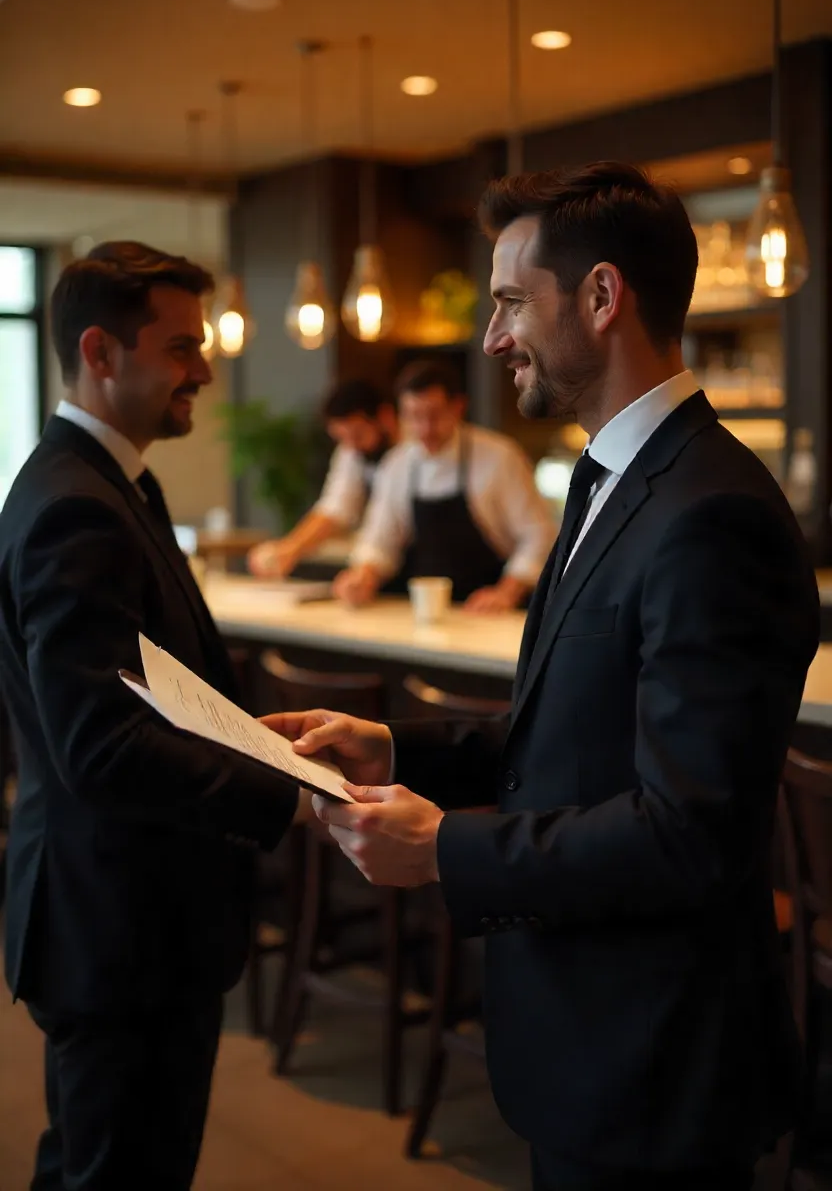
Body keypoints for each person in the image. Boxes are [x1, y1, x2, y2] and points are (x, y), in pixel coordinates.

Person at [264, 162, 820, 1190]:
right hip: (588, 1031)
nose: (492, 337)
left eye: (512, 301)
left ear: (602, 297)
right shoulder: (611, 477)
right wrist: (395, 748)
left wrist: (446, 848)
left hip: (652, 1055)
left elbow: (689, 832)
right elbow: (572, 729)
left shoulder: (712, 511)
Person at [0, 242, 308, 1191]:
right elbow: (100, 748)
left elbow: (149, 690)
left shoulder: (114, 482)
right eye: (181, 349)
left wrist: (253, 738)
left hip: (132, 913)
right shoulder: (75, 505)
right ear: (101, 351)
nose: (204, 372)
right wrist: (286, 792)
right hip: (116, 921)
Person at [333, 359, 555, 613]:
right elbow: (380, 541)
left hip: (492, 612)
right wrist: (363, 575)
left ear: (458, 407)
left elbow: (538, 535)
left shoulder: (499, 457)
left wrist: (506, 592)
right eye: (414, 417)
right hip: (425, 611)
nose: (425, 429)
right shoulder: (397, 464)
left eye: (434, 416)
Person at [247, 377, 398, 579]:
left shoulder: (411, 453)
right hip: (376, 565)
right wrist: (289, 549)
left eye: (358, 435)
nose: (352, 446)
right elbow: (335, 508)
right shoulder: (351, 451)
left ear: (385, 416)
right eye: (342, 438)